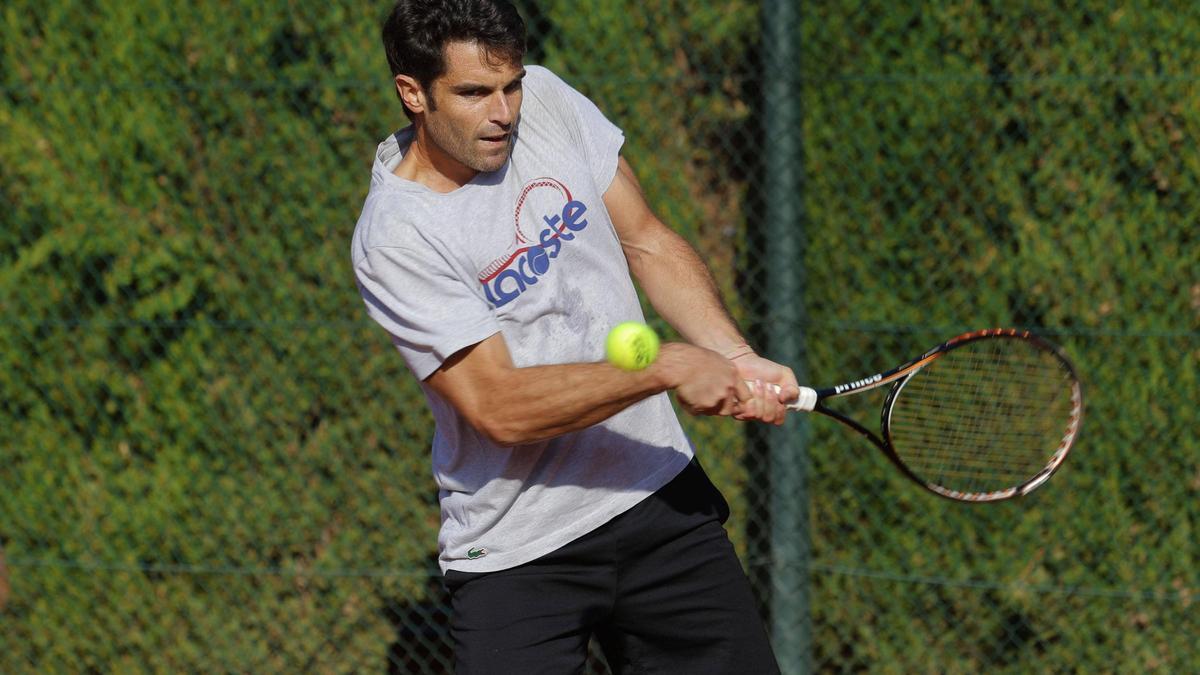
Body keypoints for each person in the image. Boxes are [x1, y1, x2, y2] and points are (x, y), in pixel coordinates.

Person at [351, 1, 801, 672]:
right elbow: (499, 406)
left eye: (510, 85)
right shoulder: (398, 234)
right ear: (413, 93)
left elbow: (645, 238)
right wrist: (668, 366)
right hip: (519, 551)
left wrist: (734, 354)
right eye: (474, 93)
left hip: (658, 499)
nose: (502, 111)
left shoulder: (549, 101)